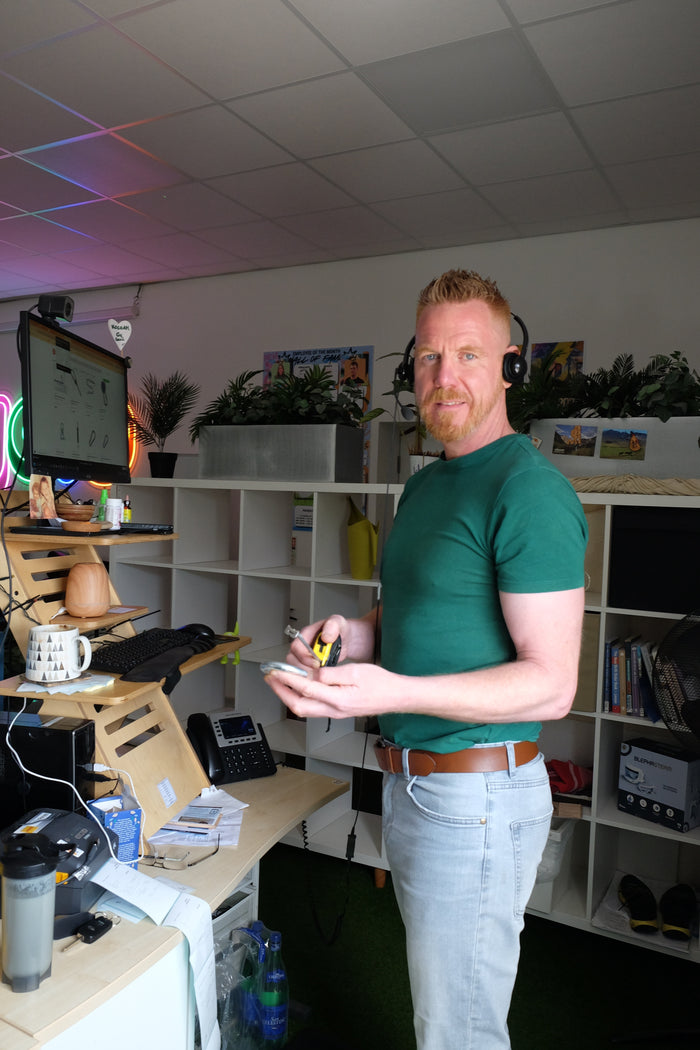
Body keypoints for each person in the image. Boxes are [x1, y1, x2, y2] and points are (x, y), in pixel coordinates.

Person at [264, 268, 588, 1050]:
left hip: (475, 802)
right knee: (440, 1015)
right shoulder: (425, 489)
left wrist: (393, 686)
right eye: (428, 359)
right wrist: (350, 633)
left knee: (458, 1031)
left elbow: (552, 683)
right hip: (413, 788)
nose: (444, 378)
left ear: (510, 364)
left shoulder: (529, 489)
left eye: (468, 355)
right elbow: (406, 617)